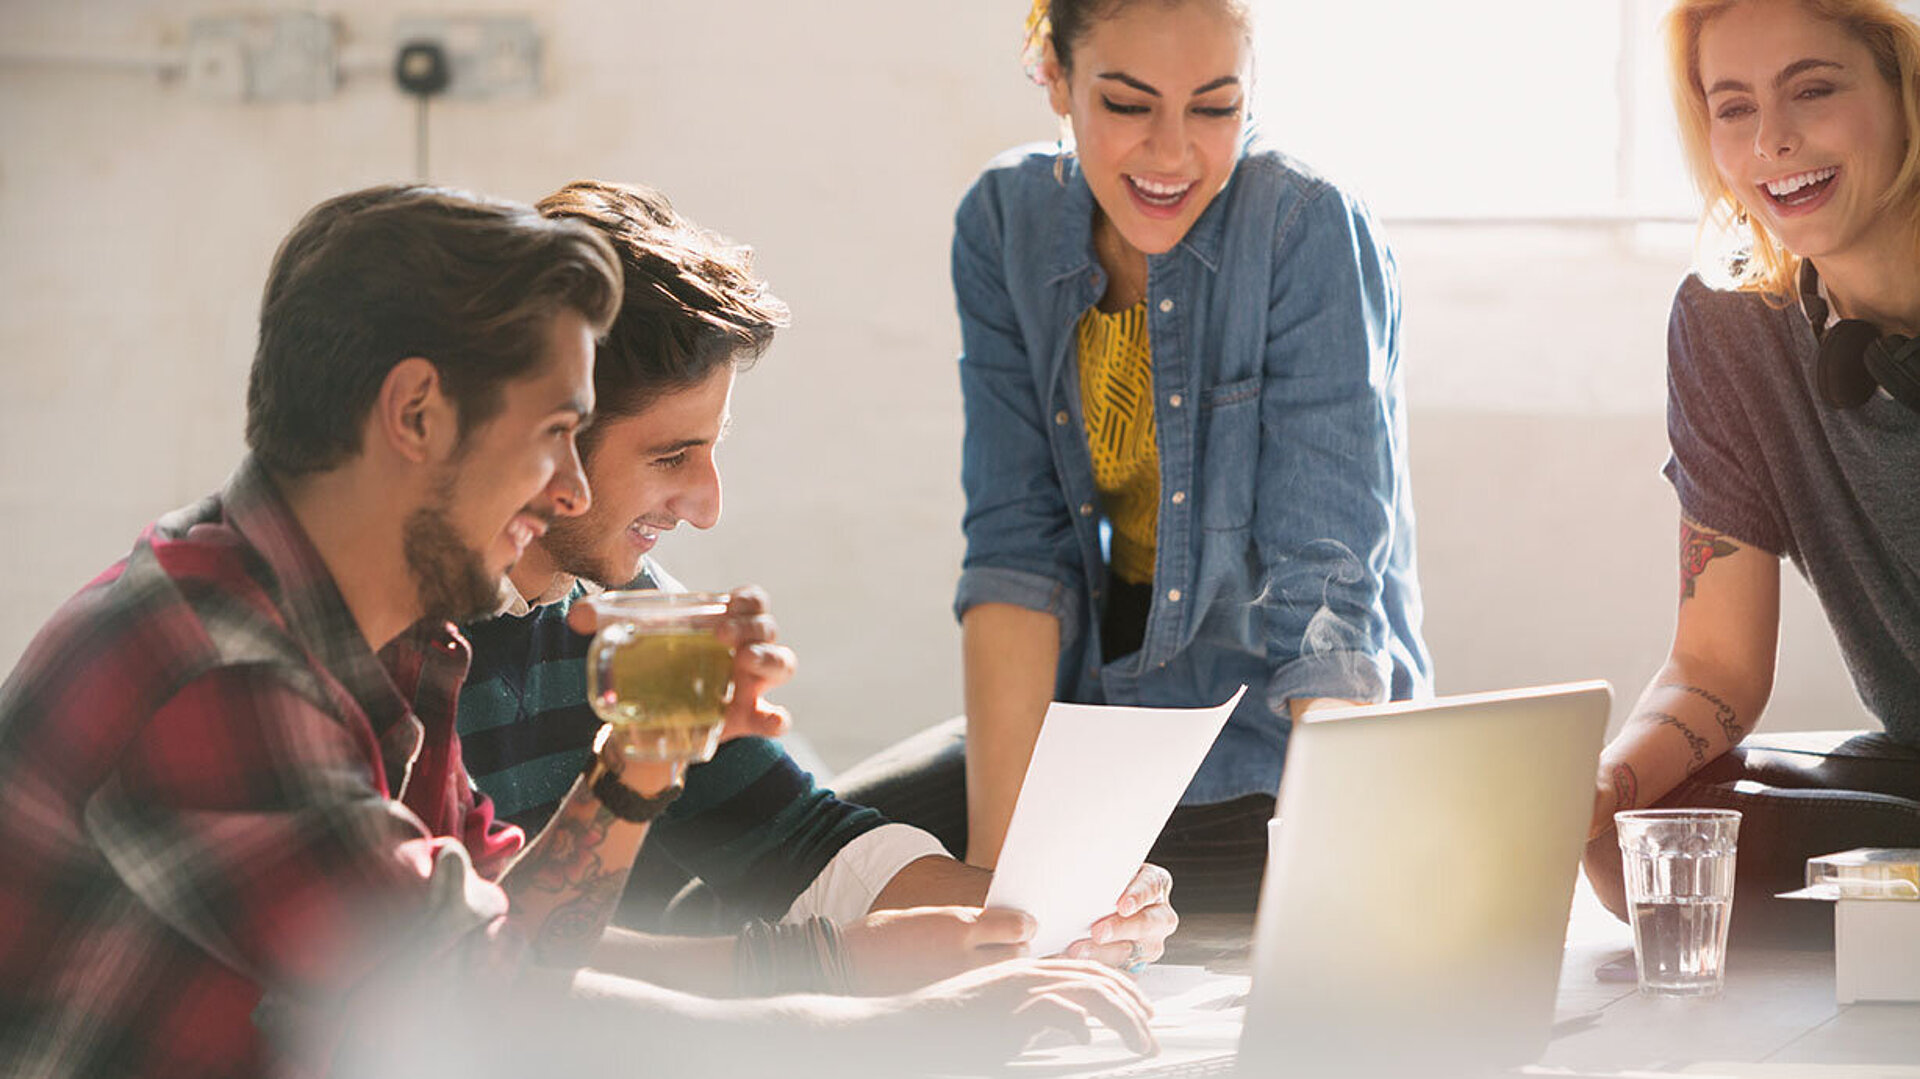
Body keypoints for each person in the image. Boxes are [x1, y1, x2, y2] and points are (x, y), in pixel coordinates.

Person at [0, 183, 1153, 1078]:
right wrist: (893, 1023)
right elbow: (479, 1011)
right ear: (415, 416)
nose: (562, 489)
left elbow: (516, 949)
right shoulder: (217, 670)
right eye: (558, 431)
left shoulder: (401, 645)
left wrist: (641, 762)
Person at [456, 178, 1177, 975]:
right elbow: (483, 960)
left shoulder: (632, 608)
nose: (707, 505)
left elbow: (797, 843)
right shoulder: (401, 643)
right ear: (551, 429)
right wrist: (832, 965)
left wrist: (1051, 920)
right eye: (671, 457)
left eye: (713, 446)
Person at [833, 0, 1431, 912]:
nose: (1171, 154)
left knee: (1078, 916)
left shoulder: (1304, 226)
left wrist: (1341, 876)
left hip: (1271, 746)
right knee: (805, 869)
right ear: (1055, 77)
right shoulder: (1003, 222)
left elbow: (1329, 596)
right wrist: (999, 889)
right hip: (1095, 723)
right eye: (1126, 104)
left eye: (1213, 106)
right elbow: (1015, 555)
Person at [1583, 0, 1920, 943]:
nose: (1773, 139)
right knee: (1638, 846)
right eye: (1733, 107)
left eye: (1813, 89)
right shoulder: (1727, 323)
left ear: (1905, 86)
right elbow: (1717, 666)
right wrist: (1599, 784)